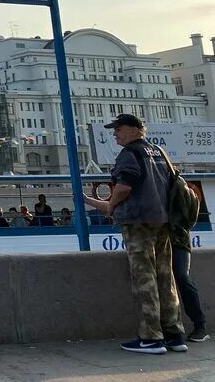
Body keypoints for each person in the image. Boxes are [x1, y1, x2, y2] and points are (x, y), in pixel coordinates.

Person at [83, 113, 184, 354]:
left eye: (119, 128)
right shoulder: (159, 151)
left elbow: (125, 186)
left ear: (135, 129)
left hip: (138, 222)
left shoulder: (130, 154)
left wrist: (110, 205)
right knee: (165, 277)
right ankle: (174, 334)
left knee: (144, 279)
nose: (115, 133)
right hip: (162, 221)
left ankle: (150, 338)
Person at [171, 185, 208, 342]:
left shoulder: (177, 186)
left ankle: (200, 325)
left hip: (177, 239)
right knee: (179, 277)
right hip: (173, 239)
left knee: (182, 276)